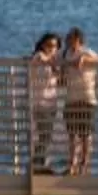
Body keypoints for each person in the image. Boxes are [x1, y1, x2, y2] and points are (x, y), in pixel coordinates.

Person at [57, 26, 98, 173]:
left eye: (72, 39)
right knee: (71, 133)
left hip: (86, 97)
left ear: (79, 40)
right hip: (71, 98)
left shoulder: (86, 52)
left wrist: (83, 58)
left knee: (85, 133)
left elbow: (97, 59)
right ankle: (72, 162)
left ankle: (84, 163)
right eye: (68, 39)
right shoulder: (65, 54)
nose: (70, 41)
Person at [27, 32, 62, 170]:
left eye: (55, 46)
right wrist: (54, 62)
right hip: (40, 102)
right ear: (43, 45)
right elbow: (42, 61)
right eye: (49, 45)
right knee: (44, 134)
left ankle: (40, 162)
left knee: (46, 135)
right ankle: (37, 163)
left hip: (51, 102)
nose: (52, 48)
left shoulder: (54, 62)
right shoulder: (39, 56)